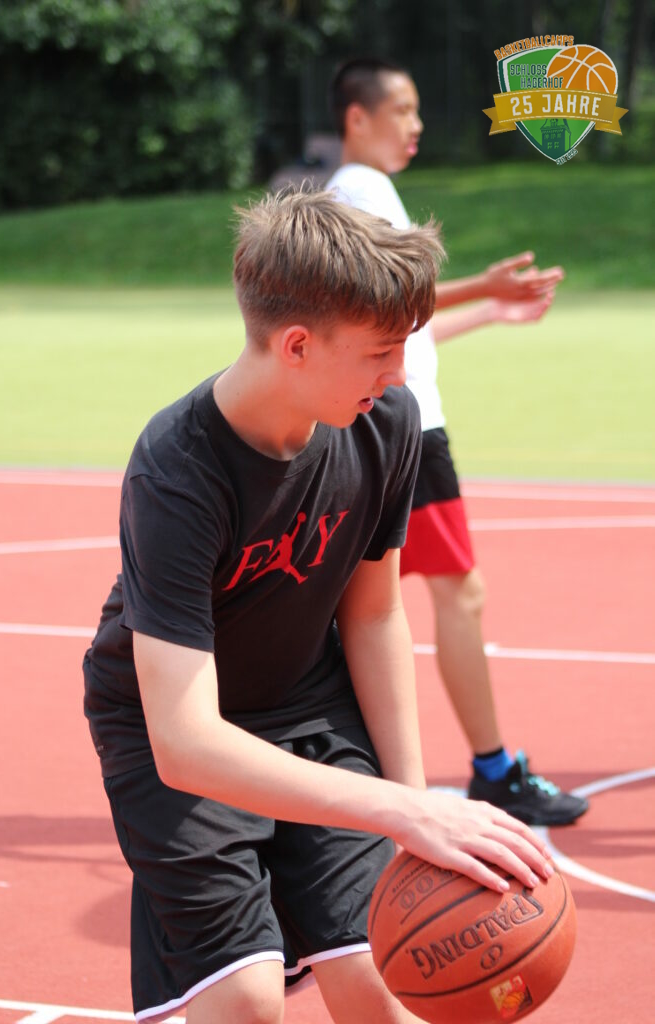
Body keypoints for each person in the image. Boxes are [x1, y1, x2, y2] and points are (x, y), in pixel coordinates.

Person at [83, 189, 554, 1024]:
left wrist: (413, 813)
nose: (398, 373)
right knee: (249, 1001)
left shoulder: (385, 422)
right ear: (296, 345)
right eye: (380, 351)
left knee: (386, 980)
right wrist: (402, 809)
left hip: (310, 705)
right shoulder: (177, 469)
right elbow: (186, 743)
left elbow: (372, 615)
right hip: (178, 734)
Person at [327, 57, 588, 827]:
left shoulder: (363, 190)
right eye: (402, 110)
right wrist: (486, 286)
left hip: (388, 418)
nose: (415, 125)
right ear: (357, 117)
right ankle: (492, 770)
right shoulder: (360, 189)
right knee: (447, 596)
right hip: (403, 426)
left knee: (362, 601)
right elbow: (393, 300)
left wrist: (486, 313)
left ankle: (338, 766)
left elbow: (399, 328)